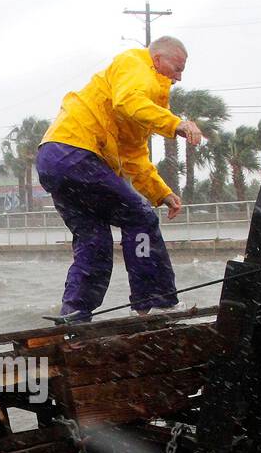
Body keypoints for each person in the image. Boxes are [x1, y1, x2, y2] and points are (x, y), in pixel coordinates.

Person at [36, 36, 204, 321]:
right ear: (158, 59)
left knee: (94, 239)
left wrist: (161, 192)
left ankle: (75, 315)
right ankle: (153, 302)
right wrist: (176, 124)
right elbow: (129, 100)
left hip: (53, 160)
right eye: (177, 67)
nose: (178, 77)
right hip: (76, 152)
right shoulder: (134, 63)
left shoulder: (140, 103)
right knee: (140, 216)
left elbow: (134, 156)